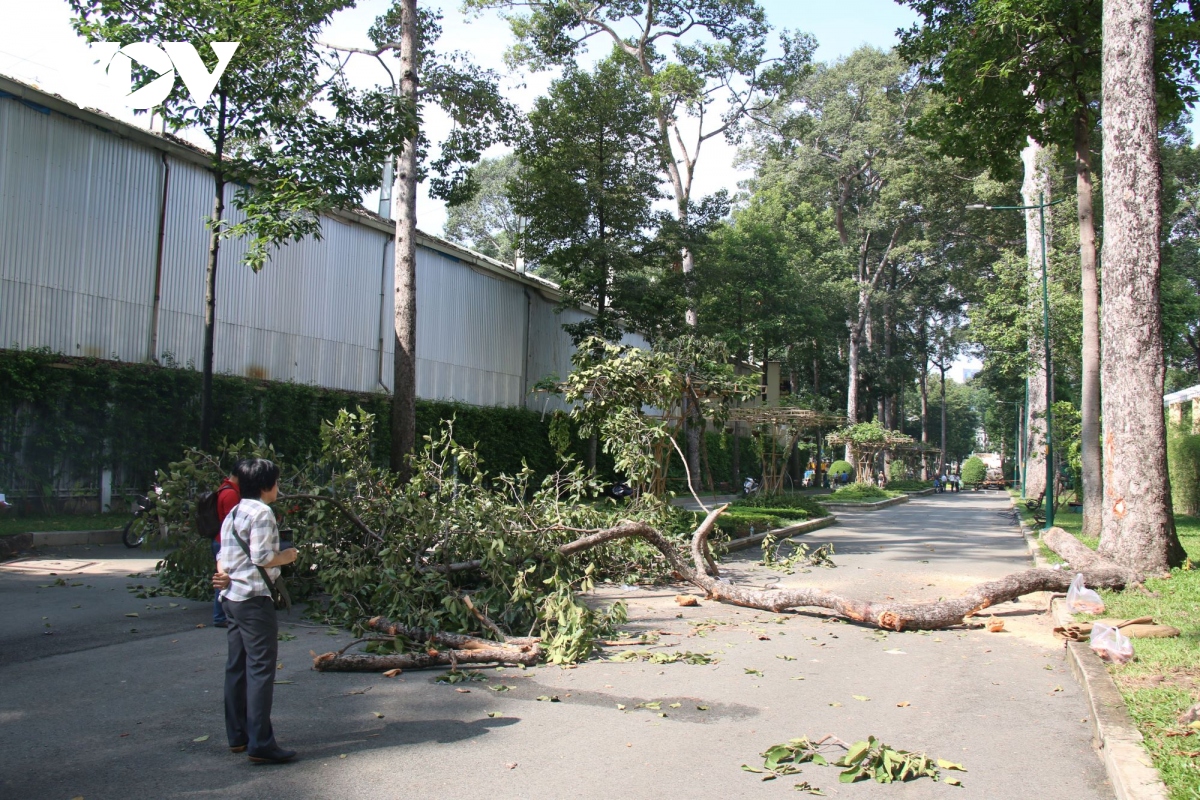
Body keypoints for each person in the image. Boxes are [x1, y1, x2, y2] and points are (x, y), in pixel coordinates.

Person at [212, 458, 298, 764]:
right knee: (261, 670)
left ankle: (238, 736)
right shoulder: (262, 512)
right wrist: (287, 556)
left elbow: (222, 552)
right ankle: (261, 743)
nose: (278, 487)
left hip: (232, 598)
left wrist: (222, 574)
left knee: (237, 665)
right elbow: (263, 557)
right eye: (275, 482)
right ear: (265, 486)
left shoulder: (235, 510)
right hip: (254, 600)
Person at [211, 474, 240, 628]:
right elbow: (234, 522)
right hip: (224, 542)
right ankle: (220, 616)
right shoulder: (231, 494)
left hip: (219, 540)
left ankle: (220, 615)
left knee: (223, 578)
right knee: (224, 579)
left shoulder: (224, 488)